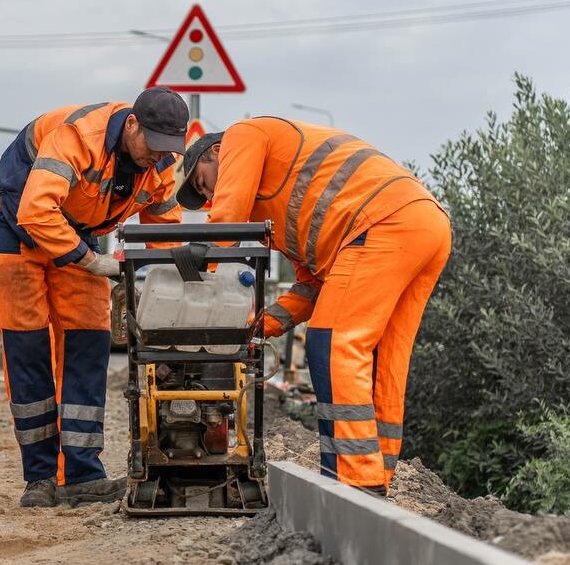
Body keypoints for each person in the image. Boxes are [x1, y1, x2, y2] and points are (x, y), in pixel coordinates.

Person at [178, 116, 452, 496]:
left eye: (201, 181)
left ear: (216, 152)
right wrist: (256, 328)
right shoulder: (285, 213)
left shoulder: (243, 134)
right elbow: (311, 288)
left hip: (380, 221)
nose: (208, 195)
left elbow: (226, 220)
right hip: (424, 222)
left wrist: (199, 271)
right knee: (383, 358)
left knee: (331, 342)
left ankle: (356, 484)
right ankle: (378, 477)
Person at [0, 87, 190, 508]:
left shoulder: (163, 163)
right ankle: (40, 477)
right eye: (153, 143)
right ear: (131, 124)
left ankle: (81, 475)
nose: (158, 154)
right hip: (14, 224)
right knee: (28, 347)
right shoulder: (80, 136)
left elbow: (164, 230)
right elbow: (37, 211)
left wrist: (168, 293)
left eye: (168, 147)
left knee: (90, 341)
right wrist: (92, 262)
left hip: (77, 231)